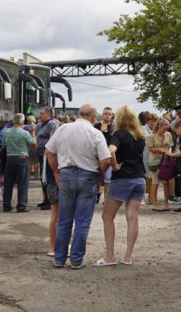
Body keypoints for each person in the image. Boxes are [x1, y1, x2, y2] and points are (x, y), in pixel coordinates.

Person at [46, 104, 112, 269]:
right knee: (82, 221)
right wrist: (100, 175)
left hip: (66, 174)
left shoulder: (63, 129)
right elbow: (105, 160)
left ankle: (59, 258)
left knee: (64, 220)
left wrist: (56, 172)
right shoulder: (96, 133)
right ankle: (76, 259)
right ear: (92, 117)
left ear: (80, 114)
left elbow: (49, 152)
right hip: (88, 176)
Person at [95, 106, 146, 267]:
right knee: (132, 217)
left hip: (122, 179)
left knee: (107, 217)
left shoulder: (118, 135)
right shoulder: (140, 136)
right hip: (139, 179)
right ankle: (128, 256)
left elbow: (111, 150)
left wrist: (114, 164)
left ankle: (110, 256)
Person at [2, 113, 36, 213]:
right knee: (23, 183)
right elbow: (34, 145)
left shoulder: (6, 132)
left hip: (10, 158)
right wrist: (33, 132)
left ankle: (6, 206)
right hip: (22, 158)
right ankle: (21, 206)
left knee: (8, 183)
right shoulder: (24, 133)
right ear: (22, 122)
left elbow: (4, 144)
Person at [36, 107, 60, 211]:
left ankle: (52, 201)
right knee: (43, 178)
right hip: (41, 155)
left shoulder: (52, 124)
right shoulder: (41, 124)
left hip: (48, 155)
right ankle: (45, 199)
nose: (39, 115)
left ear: (48, 115)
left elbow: (53, 139)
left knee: (49, 178)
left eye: (41, 114)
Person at [146, 118, 173, 211]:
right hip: (155, 161)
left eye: (167, 129)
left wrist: (169, 153)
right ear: (159, 126)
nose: (165, 131)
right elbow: (150, 149)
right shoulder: (151, 136)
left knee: (166, 181)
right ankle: (154, 203)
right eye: (164, 129)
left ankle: (166, 203)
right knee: (155, 182)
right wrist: (159, 150)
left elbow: (170, 147)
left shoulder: (168, 135)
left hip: (165, 161)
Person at [95, 107, 115, 203]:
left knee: (108, 179)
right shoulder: (97, 125)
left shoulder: (114, 127)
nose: (107, 116)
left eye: (109, 114)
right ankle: (96, 194)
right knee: (97, 176)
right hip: (97, 154)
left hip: (108, 154)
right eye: (105, 114)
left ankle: (106, 199)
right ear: (102, 115)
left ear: (112, 116)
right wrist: (102, 132)